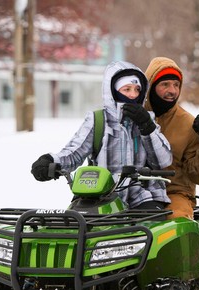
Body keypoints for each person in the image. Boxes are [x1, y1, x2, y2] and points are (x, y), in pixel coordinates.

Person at [30, 61, 172, 210]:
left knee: (146, 228)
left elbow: (163, 161)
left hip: (142, 196)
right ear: (113, 91)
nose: (133, 95)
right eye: (127, 89)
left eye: (137, 89)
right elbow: (74, 152)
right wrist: (50, 161)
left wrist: (146, 127)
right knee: (80, 227)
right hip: (100, 195)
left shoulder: (146, 120)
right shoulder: (98, 120)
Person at [143, 57, 199, 219]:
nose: (172, 90)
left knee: (176, 222)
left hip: (174, 193)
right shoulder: (133, 115)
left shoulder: (188, 123)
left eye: (176, 85)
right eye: (165, 84)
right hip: (132, 190)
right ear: (150, 86)